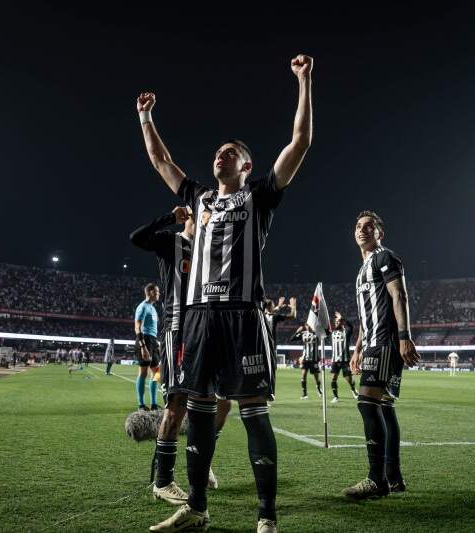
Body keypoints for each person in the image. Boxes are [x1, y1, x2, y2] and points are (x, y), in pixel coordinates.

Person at [138, 53, 313, 533]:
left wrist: (304, 80)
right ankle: (196, 508)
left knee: (254, 414)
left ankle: (267, 517)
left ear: (247, 163)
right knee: (197, 410)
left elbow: (300, 142)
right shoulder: (197, 197)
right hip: (198, 316)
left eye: (230, 152)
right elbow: (160, 160)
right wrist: (146, 117)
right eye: (217, 152)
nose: (220, 156)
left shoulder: (260, 195)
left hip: (243, 317)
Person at [131, 206, 231, 504]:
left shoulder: (213, 249)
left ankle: (203, 462)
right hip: (179, 332)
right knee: (177, 405)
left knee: (221, 403)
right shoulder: (173, 242)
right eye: (205, 211)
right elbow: (137, 238)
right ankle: (163, 481)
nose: (210, 216)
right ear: (191, 216)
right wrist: (167, 218)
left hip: (209, 333)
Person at [346, 210, 420, 499]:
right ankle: (394, 477)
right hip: (373, 341)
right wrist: (357, 349)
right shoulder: (362, 270)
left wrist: (404, 338)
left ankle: (376, 479)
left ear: (380, 233)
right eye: (358, 226)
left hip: (386, 341)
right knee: (385, 407)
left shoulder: (384, 257)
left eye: (369, 226)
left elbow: (399, 296)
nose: (362, 230)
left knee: (367, 403)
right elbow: (367, 316)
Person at [134, 283, 161, 411]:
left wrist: (156, 344)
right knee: (143, 373)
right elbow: (137, 327)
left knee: (156, 372)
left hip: (153, 341)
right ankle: (141, 404)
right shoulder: (143, 307)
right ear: (150, 292)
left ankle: (154, 404)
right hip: (145, 340)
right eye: (157, 291)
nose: (159, 294)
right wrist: (143, 346)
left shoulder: (153, 308)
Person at [330, 312, 357, 402]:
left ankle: (353, 390)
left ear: (342, 322)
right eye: (336, 322)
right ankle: (335, 397)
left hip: (345, 360)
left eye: (338, 321)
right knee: (333, 378)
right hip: (335, 360)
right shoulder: (332, 332)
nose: (337, 323)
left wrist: (342, 318)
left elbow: (351, 326)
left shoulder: (347, 332)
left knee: (348, 379)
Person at [291, 324, 322, 399]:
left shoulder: (317, 334)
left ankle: (318, 389)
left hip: (314, 360)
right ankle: (304, 394)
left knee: (316, 377)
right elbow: (292, 339)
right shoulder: (303, 334)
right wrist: (297, 332)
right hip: (305, 359)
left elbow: (324, 337)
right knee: (303, 376)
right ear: (306, 326)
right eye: (307, 325)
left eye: (310, 325)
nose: (309, 326)